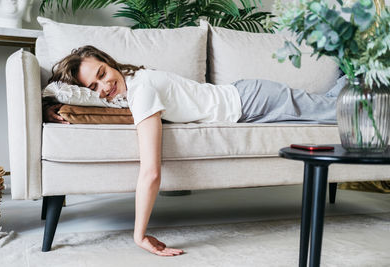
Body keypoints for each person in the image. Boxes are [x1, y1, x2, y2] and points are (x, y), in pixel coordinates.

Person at [44, 45, 339, 256]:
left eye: (102, 73)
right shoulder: (130, 88)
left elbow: (151, 171)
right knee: (326, 105)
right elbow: (74, 100)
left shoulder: (141, 90)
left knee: (334, 110)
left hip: (252, 102)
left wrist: (138, 235)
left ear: (109, 62)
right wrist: (53, 110)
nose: (104, 86)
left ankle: (369, 71)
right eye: (93, 86)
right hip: (245, 99)